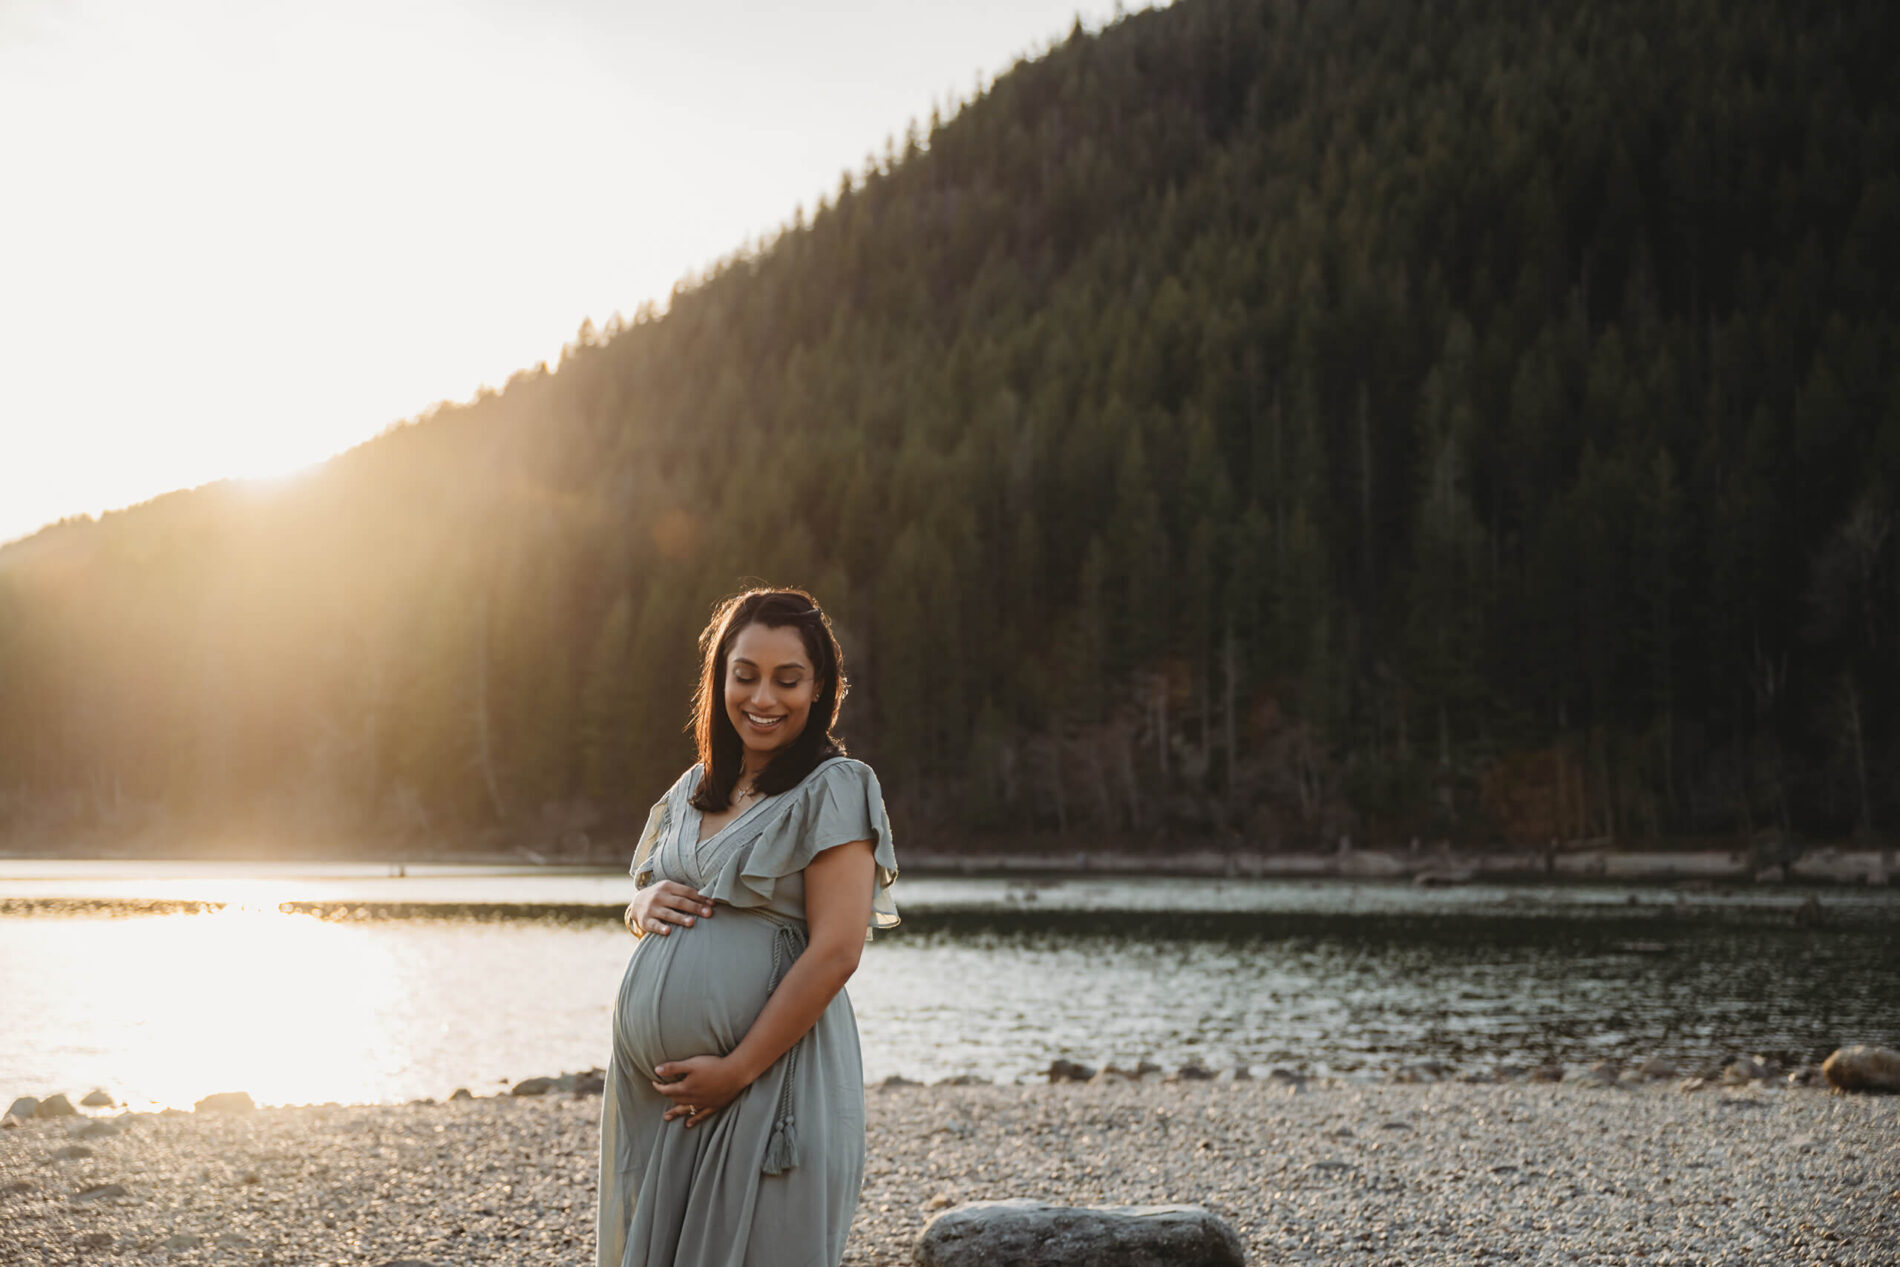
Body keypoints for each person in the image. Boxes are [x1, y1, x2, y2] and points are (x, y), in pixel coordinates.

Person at [597, 587, 899, 1267]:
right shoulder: (693, 787)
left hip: (767, 1083)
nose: (764, 697)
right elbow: (648, 885)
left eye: (788, 679)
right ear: (719, 678)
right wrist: (640, 906)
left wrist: (735, 1069)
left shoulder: (835, 786)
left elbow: (837, 950)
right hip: (665, 1100)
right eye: (746, 674)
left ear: (819, 688)